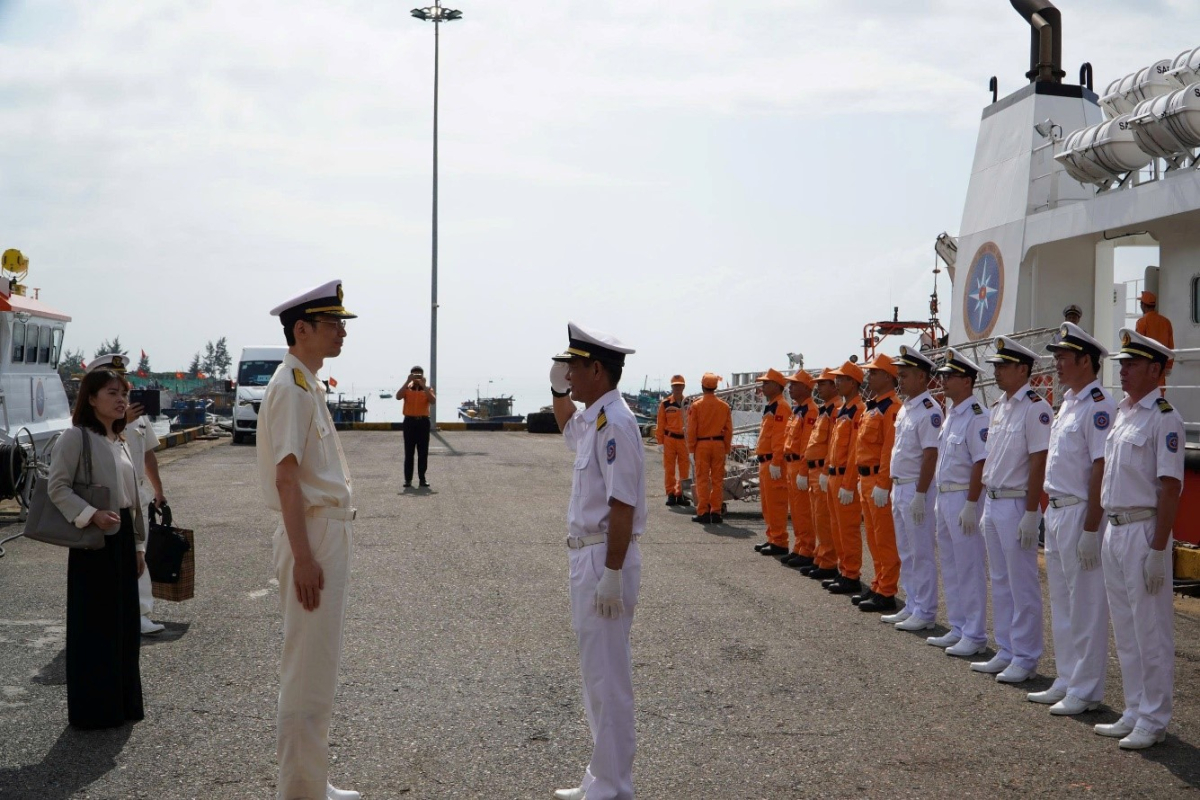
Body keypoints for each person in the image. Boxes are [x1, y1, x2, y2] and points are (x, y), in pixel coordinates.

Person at [258, 280, 360, 800]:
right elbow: (286, 479)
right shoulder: (292, 388)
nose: (342, 332)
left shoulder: (306, 384)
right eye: (333, 323)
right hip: (313, 534)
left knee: (318, 666)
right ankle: (300, 791)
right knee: (306, 668)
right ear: (302, 329)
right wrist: (303, 557)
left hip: (322, 530)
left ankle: (310, 780)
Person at [549, 322, 645, 800]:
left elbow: (622, 504)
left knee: (609, 678)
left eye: (574, 367)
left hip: (604, 557)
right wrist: (555, 391)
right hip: (588, 556)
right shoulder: (596, 418)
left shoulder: (616, 425)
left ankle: (614, 785)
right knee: (596, 676)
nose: (568, 374)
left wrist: (612, 573)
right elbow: (567, 426)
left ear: (597, 370)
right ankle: (601, 778)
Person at [1095, 328, 1183, 750]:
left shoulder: (1163, 417)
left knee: (1150, 629)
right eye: (1122, 364)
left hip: (1143, 530)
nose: (1123, 370)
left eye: (1131, 364)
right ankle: (1134, 708)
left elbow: (1170, 487)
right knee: (1126, 628)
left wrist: (1158, 549)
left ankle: (1154, 717)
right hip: (1115, 528)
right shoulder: (1124, 413)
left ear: (1155, 369)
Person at [47, 368, 147, 729]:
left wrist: (138, 546)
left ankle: (122, 703)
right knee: (94, 626)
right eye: (112, 393)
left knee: (124, 624)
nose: (121, 400)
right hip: (93, 540)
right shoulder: (76, 437)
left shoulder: (120, 439)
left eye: (124, 393)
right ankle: (95, 710)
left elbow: (133, 498)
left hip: (122, 536)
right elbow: (57, 487)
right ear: (91, 398)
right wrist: (90, 514)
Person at [1031, 323, 1115, 715]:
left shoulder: (1099, 405)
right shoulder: (1068, 403)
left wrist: (1091, 527)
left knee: (1086, 604)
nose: (1057, 364)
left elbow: (1100, 467)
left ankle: (1087, 688)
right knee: (1063, 603)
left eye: (1063, 358)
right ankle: (1067, 678)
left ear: (1085, 361)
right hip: (1058, 509)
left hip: (1081, 511)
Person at [973, 336, 1049, 685]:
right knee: (1000, 581)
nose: (997, 371)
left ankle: (1026, 656)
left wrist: (1032, 513)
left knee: (1022, 584)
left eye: (1003, 366)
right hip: (993, 500)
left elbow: (1038, 462)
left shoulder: (1035, 408)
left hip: (1017, 502)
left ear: (1022, 369)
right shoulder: (999, 407)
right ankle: (1006, 648)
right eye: (996, 366)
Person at [89, 353, 168, 636]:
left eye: (123, 385)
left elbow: (148, 455)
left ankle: (141, 613)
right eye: (112, 388)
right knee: (103, 560)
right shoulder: (90, 422)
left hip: (135, 493)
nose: (121, 392)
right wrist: (123, 421)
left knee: (138, 555)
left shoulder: (137, 416)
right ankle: (109, 613)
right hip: (103, 498)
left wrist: (158, 490)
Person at [932, 349, 991, 658]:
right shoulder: (952, 414)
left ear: (967, 381)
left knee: (969, 566)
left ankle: (975, 632)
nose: (943, 380)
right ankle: (958, 626)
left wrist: (971, 503)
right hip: (945, 496)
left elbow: (981, 462)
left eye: (949, 376)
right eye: (943, 375)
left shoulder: (977, 416)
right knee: (951, 565)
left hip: (963, 497)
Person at [886, 346, 943, 631]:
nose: (900, 380)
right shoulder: (906, 408)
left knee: (921, 552)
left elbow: (930, 455)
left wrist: (921, 494)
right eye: (899, 375)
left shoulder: (930, 410)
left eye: (905, 375)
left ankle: (926, 610)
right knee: (905, 551)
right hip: (900, 486)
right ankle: (911, 604)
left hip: (915, 489)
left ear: (922, 376)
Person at [852, 354, 902, 613]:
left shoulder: (891, 408)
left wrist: (883, 483)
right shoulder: (873, 407)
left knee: (884, 538)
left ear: (887, 377)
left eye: (873, 373)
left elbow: (888, 450)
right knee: (872, 537)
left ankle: (887, 590)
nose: (868, 377)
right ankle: (878, 583)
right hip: (866, 478)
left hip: (878, 480)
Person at [824, 361, 865, 596]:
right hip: (834, 475)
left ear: (853, 382)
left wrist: (849, 483)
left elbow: (854, 451)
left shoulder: (858, 410)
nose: (837, 383)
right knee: (836, 527)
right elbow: (834, 445)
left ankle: (851, 574)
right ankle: (844, 570)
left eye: (841, 379)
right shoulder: (843, 410)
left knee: (848, 529)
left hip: (844, 478)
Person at [800, 368, 841, 580]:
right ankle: (820, 557)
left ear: (834, 386)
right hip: (814, 470)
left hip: (823, 470)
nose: (818, 387)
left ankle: (828, 561)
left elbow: (833, 444)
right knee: (818, 518)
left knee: (824, 519)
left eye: (823, 384)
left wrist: (825, 470)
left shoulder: (835, 410)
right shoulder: (825, 410)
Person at [780, 370, 819, 570]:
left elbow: (806, 445)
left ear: (805, 387)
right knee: (795, 511)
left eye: (794, 385)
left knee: (803, 511)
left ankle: (807, 549)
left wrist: (803, 471)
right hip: (791, 464)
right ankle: (799, 545)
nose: (790, 388)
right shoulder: (798, 410)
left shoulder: (810, 411)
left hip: (799, 465)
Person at [752, 369, 792, 557]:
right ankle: (773, 537)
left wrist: (776, 461)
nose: (763, 386)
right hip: (765, 461)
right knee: (767, 505)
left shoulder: (781, 407)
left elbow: (779, 437)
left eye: (766, 383)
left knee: (776, 504)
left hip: (772, 462)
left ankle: (779, 541)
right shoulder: (772, 406)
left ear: (777, 386)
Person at [686, 373, 732, 524]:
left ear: (702, 386)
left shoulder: (696, 405)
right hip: (719, 445)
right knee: (718, 480)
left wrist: (691, 449)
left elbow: (691, 429)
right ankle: (716, 512)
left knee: (702, 479)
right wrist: (726, 449)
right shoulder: (724, 406)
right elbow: (728, 430)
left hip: (702, 445)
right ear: (716, 387)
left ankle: (703, 512)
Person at [396, 366, 436, 488]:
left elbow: (433, 401)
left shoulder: (428, 389)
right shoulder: (407, 388)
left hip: (423, 422)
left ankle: (422, 478)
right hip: (409, 422)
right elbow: (398, 396)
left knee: (423, 452)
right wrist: (407, 381)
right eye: (415, 375)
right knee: (409, 451)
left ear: (423, 376)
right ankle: (408, 479)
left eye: (419, 375)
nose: (417, 378)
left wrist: (424, 386)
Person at [655, 375, 690, 507]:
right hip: (669, 439)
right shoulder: (665, 404)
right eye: (675, 386)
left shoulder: (689, 403)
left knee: (684, 469)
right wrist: (660, 442)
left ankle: (681, 494)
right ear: (671, 387)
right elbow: (660, 423)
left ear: (684, 386)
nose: (677, 388)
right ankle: (670, 493)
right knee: (669, 468)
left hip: (684, 440)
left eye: (680, 385)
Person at [1135, 291, 1174, 391]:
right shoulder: (1166, 322)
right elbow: (1170, 346)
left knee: (1145, 392)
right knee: (1159, 392)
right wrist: (1169, 365)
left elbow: (1138, 346)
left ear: (1143, 305)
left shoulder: (1142, 322)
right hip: (1162, 363)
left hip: (1147, 365)